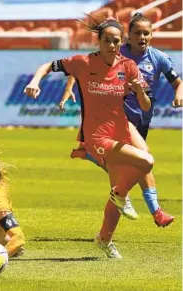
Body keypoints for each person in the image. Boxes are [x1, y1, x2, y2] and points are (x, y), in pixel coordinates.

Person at [24, 16, 154, 259]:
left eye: (116, 41)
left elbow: (146, 107)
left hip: (120, 133)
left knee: (118, 191)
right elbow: (46, 66)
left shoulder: (127, 66)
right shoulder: (81, 62)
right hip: (97, 136)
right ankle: (115, 186)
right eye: (107, 40)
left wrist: (138, 90)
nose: (112, 45)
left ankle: (104, 239)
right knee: (146, 161)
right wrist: (35, 81)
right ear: (98, 40)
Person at [59, 12, 182, 227]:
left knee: (125, 166)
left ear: (152, 35)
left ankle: (93, 158)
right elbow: (83, 67)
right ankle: (156, 211)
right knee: (143, 159)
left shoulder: (159, 58)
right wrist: (69, 89)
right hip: (119, 115)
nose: (142, 37)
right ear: (129, 36)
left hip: (142, 116)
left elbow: (177, 82)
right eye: (137, 33)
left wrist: (178, 93)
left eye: (146, 33)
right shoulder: (116, 51)